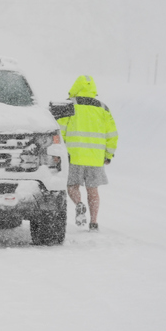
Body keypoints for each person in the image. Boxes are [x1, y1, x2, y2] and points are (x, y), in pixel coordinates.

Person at [57, 75, 118, 231]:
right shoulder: (103, 108)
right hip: (96, 157)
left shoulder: (70, 105)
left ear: (76, 86)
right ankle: (94, 222)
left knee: (72, 186)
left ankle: (79, 204)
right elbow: (112, 134)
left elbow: (61, 130)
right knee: (93, 189)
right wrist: (108, 155)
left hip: (74, 155)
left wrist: (59, 152)